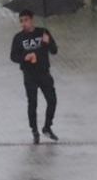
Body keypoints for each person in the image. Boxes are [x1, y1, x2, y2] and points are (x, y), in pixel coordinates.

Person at [8, 10, 60, 144]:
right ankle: (34, 131)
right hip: (29, 74)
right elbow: (13, 56)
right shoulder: (18, 38)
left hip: (44, 72)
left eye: (25, 20)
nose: (23, 23)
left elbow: (54, 51)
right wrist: (24, 57)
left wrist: (48, 42)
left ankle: (47, 127)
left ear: (32, 20)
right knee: (32, 103)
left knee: (52, 100)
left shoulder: (43, 32)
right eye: (21, 21)